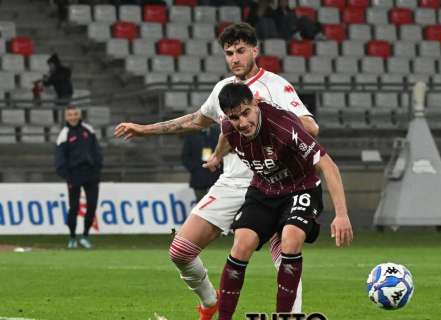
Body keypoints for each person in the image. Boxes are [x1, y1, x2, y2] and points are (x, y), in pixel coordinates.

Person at [114, 22, 319, 320]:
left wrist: (274, 116)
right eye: (229, 53)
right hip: (233, 182)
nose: (235, 58)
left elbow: (311, 127)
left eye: (240, 51)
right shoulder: (223, 89)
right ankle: (210, 302)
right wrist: (145, 130)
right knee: (180, 251)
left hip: (272, 184)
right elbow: (198, 120)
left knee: (286, 257)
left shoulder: (275, 86)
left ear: (255, 50)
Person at [202, 82, 352, 318]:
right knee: (241, 246)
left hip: (300, 187)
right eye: (234, 117)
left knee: (290, 240)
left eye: (246, 113)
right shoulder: (230, 127)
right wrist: (216, 158)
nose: (242, 122)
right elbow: (226, 136)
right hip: (264, 190)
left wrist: (341, 215)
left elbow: (328, 166)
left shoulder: (283, 126)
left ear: (256, 104)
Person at [55, 106, 103, 249]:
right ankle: (72, 237)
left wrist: (97, 168)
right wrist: (66, 175)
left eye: (75, 114)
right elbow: (60, 158)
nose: (73, 117)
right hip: (74, 175)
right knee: (74, 207)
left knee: (92, 206)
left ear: (79, 115)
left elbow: (97, 151)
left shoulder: (89, 130)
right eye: (70, 115)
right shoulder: (64, 134)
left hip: (91, 174)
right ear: (66, 117)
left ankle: (85, 235)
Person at [182, 125, 222, 202]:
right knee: (201, 206)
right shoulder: (191, 134)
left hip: (216, 176)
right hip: (198, 178)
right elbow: (185, 157)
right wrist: (195, 169)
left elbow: (223, 151)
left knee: (217, 205)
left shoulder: (218, 132)